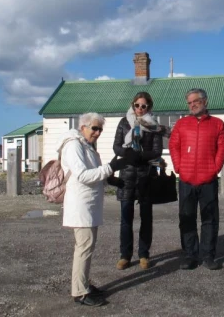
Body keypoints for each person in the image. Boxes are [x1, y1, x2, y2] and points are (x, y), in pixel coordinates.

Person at [60, 112, 137, 307]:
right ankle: (79, 292)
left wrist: (113, 180)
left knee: (87, 247)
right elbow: (83, 175)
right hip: (81, 205)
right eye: (94, 128)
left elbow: (95, 173)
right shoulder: (73, 145)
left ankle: (83, 284)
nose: (97, 132)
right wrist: (112, 167)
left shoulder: (87, 146)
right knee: (84, 247)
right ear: (83, 127)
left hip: (89, 204)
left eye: (100, 129)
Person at [169, 88, 224, 270]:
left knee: (209, 219)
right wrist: (179, 167)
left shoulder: (217, 124)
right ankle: (190, 255)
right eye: (189, 102)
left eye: (195, 101)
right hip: (186, 180)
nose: (192, 105)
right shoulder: (181, 124)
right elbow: (173, 145)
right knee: (186, 218)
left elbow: (223, 147)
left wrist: (214, 168)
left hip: (208, 179)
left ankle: (208, 256)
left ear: (205, 102)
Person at [112, 92, 165, 271]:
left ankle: (144, 254)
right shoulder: (124, 122)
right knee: (126, 218)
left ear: (149, 107)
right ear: (132, 105)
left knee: (146, 218)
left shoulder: (153, 125)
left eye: (144, 106)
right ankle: (125, 255)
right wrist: (128, 154)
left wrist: (141, 156)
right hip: (126, 175)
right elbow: (117, 146)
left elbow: (157, 150)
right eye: (137, 105)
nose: (140, 109)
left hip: (145, 175)